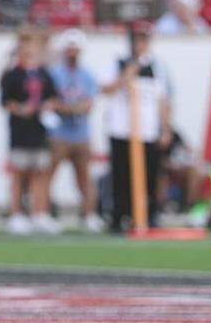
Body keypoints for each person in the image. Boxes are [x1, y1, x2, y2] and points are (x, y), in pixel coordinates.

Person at [101, 26, 171, 233]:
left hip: (147, 131)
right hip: (122, 130)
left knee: (150, 175)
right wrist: (126, 75)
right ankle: (120, 215)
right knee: (121, 176)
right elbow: (105, 89)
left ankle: (149, 214)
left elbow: (163, 100)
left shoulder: (157, 66)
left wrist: (165, 129)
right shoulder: (118, 63)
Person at [0, 33, 59, 235]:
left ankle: (39, 213)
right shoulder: (12, 75)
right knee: (18, 174)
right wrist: (22, 109)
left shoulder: (43, 73)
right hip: (20, 131)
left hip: (40, 131)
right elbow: (6, 102)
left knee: (40, 173)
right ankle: (16, 214)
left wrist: (47, 106)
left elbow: (53, 97)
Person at [48, 29, 102, 232]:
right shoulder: (55, 73)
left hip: (81, 134)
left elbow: (89, 103)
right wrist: (72, 108)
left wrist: (69, 108)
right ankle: (45, 213)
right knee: (49, 174)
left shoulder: (87, 74)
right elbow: (53, 102)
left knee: (85, 177)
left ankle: (89, 214)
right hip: (59, 134)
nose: (72, 53)